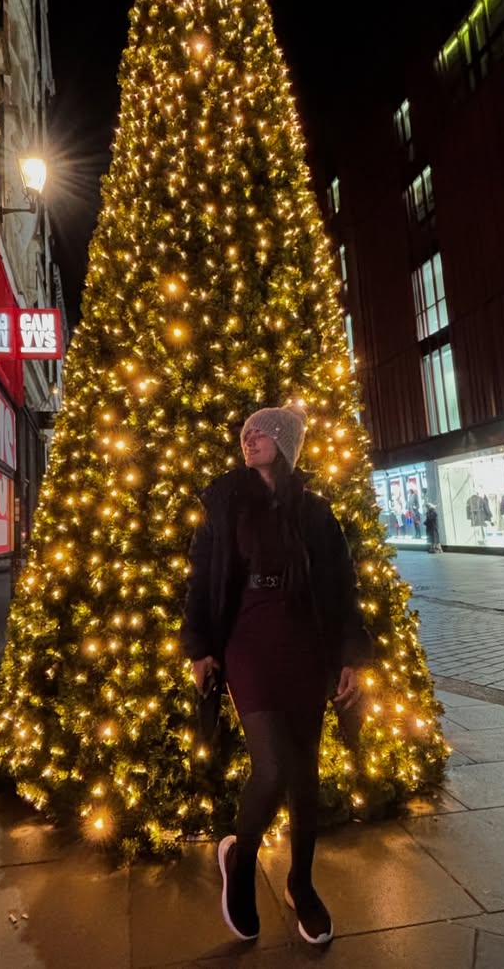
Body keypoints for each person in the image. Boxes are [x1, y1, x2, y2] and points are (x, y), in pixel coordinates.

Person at [180, 405, 371, 947]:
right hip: (247, 641)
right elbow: (202, 581)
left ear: (287, 443)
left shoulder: (315, 512)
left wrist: (349, 655)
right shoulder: (224, 505)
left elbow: (341, 588)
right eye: (245, 433)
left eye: (262, 432)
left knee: (304, 772)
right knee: (271, 767)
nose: (250, 438)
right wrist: (199, 648)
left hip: (305, 644)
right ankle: (240, 861)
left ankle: (301, 885)